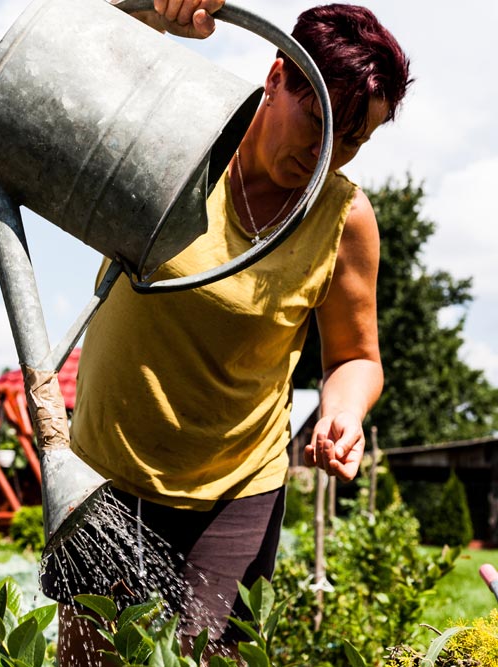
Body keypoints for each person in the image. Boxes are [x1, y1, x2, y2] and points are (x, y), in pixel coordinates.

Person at [57, 0, 412, 662]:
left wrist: (343, 412)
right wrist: (150, 12)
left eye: (355, 140)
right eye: (321, 121)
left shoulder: (344, 219)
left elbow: (358, 357)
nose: (327, 152)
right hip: (107, 474)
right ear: (277, 76)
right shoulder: (180, 130)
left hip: (234, 495)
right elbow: (70, 60)